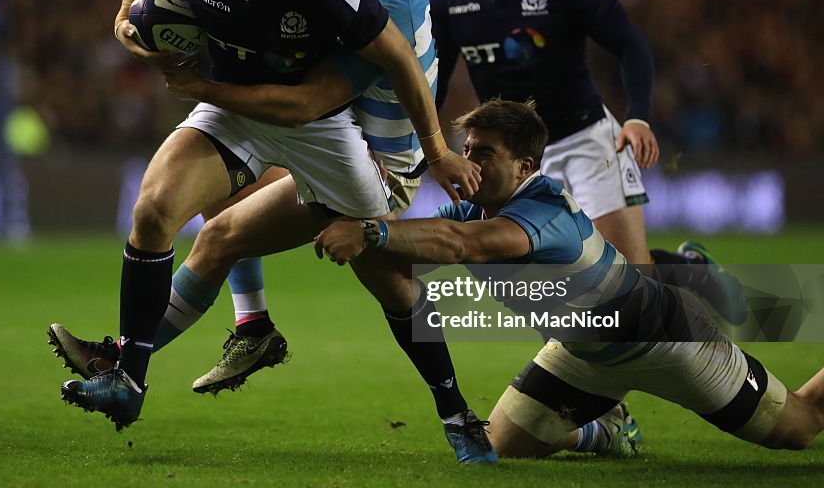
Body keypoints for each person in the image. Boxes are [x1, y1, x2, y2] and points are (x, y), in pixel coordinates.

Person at [53, 0, 498, 464]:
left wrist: (203, 86)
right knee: (200, 223)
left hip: (377, 171)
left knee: (383, 281)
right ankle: (151, 357)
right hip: (315, 136)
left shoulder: (391, 11)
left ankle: (457, 415)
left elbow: (306, 105)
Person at [315, 98, 824, 457]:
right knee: (497, 447)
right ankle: (604, 432)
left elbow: (462, 245)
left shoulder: (544, 209)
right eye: (466, 150)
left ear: (524, 166)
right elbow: (427, 241)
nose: (467, 162)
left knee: (799, 429)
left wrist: (370, 233)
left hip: (668, 342)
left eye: (484, 153)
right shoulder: (472, 209)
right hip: (581, 356)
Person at [428, 0, 742, 320]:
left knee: (633, 281)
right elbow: (437, 78)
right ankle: (584, 383)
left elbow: (631, 45)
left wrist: (637, 115)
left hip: (585, 140)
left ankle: (690, 269)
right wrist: (427, 143)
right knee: (539, 280)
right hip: (514, 160)